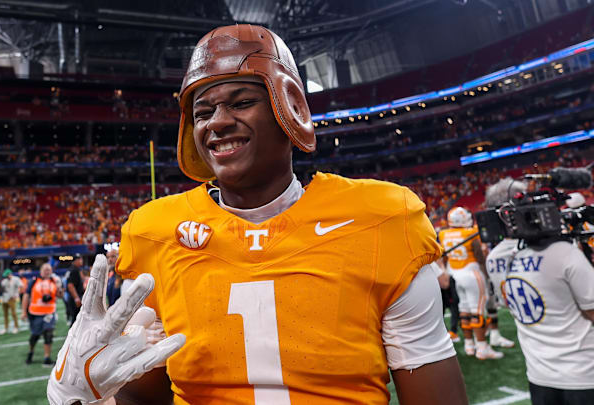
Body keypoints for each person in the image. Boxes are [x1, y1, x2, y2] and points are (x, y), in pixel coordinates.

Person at [48, 24, 467, 405]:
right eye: (203, 112)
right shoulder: (156, 232)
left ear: (291, 108)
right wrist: (81, 399)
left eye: (242, 101)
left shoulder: (380, 219)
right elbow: (147, 399)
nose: (218, 123)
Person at [485, 177, 594, 405]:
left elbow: (508, 303)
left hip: (539, 374)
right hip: (583, 373)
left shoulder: (496, 258)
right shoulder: (564, 253)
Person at [438, 206, 503, 360]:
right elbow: (479, 256)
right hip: (471, 272)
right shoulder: (470, 233)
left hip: (454, 273)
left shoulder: (443, 233)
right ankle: (482, 347)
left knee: (464, 311)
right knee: (477, 311)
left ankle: (469, 345)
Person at [21, 263, 61, 365]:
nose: (47, 271)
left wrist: (59, 287)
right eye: (45, 269)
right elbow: (26, 296)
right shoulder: (34, 281)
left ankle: (47, 357)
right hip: (35, 313)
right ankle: (31, 352)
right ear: (41, 270)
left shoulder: (54, 281)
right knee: (35, 336)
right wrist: (23, 311)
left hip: (49, 312)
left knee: (48, 334)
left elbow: (60, 295)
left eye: (49, 269)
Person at [65, 254, 86, 326]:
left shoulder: (72, 269)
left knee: (77, 318)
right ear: (76, 260)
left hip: (73, 297)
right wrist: (76, 298)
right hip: (75, 297)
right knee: (76, 319)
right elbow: (70, 285)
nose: (81, 261)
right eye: (80, 259)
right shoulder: (74, 270)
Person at [0, 269, 22, 333]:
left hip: (11, 298)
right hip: (4, 299)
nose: (6, 277)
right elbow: (3, 290)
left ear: (10, 274)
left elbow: (21, 287)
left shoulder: (16, 279)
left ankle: (16, 327)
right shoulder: (3, 281)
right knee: (5, 314)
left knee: (13, 313)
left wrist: (16, 295)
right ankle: (6, 328)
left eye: (7, 275)